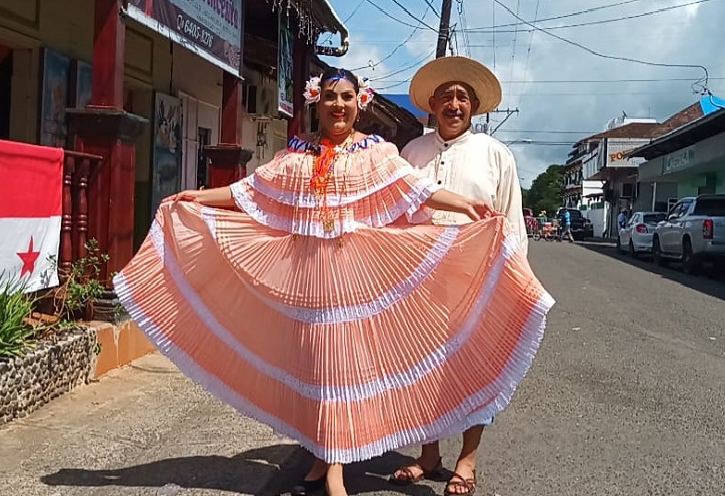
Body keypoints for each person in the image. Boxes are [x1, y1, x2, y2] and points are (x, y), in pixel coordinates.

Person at [112, 67, 553, 496]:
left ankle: (340, 467)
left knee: (343, 369)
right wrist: (199, 196)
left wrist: (465, 207)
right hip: (309, 283)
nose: (338, 105)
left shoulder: (377, 154)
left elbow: (414, 190)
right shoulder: (298, 155)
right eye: (330, 97)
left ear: (360, 104)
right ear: (316, 102)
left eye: (346, 97)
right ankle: (324, 455)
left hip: (355, 285)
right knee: (315, 370)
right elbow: (251, 190)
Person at [391, 56, 528, 496]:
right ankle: (429, 453)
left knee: (476, 369)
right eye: (446, 97)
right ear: (432, 104)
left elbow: (511, 223)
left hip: (478, 281)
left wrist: (515, 279)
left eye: (462, 97)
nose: (454, 104)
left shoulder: (495, 155)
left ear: (474, 107)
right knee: (422, 368)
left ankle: (467, 459)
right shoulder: (411, 153)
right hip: (421, 284)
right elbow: (395, 214)